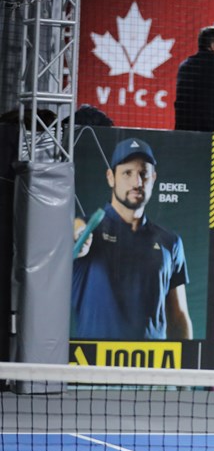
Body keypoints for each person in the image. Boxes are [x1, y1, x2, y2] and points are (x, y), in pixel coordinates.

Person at [72, 137, 192, 340]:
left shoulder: (170, 242)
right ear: (111, 177)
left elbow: (179, 315)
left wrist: (185, 368)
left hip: (152, 367)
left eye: (143, 174)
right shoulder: (87, 230)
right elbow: (74, 230)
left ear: (153, 178)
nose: (137, 182)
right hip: (94, 367)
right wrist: (78, 238)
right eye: (127, 173)